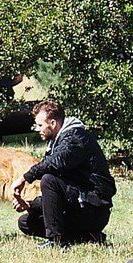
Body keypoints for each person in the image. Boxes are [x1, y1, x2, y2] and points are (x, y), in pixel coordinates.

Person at [12, 100, 116, 248]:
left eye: (40, 125)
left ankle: (55, 242)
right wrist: (29, 205)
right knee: (26, 222)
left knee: (49, 179)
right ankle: (86, 237)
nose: (37, 129)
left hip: (93, 209)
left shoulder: (75, 138)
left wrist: (25, 178)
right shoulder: (57, 142)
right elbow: (61, 192)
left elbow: (54, 163)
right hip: (78, 204)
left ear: (53, 123)